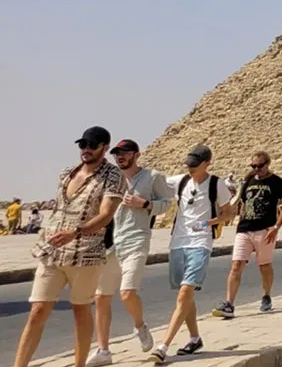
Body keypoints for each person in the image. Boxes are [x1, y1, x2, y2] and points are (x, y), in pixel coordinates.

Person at [13, 126, 125, 367]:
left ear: (104, 147)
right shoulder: (66, 173)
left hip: (85, 253)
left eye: (92, 145)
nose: (85, 149)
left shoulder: (113, 176)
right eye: (82, 144)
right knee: (38, 310)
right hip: (53, 250)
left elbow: (106, 215)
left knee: (80, 310)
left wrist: (75, 232)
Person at [90, 139, 172, 367]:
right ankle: (103, 350)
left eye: (125, 153)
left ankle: (140, 326)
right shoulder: (112, 180)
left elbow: (167, 203)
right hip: (111, 243)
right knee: (101, 296)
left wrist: (144, 203)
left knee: (127, 292)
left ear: (136, 154)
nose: (120, 157)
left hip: (136, 239)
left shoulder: (153, 176)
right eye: (116, 153)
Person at [151, 145, 234, 364]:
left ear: (207, 163)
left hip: (200, 243)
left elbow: (228, 213)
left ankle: (163, 346)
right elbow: (155, 182)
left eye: (195, 166)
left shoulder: (218, 185)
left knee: (184, 293)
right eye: (188, 165)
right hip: (177, 243)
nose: (190, 169)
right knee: (185, 294)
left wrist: (209, 222)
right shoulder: (181, 181)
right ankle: (195, 338)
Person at [211, 152, 282, 320]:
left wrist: (276, 227)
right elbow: (240, 203)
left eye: (259, 166)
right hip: (245, 228)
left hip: (266, 230)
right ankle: (229, 304)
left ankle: (267, 296)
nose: (256, 169)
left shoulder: (276, 182)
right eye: (253, 166)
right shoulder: (248, 181)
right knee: (236, 265)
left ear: (268, 164)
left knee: (264, 266)